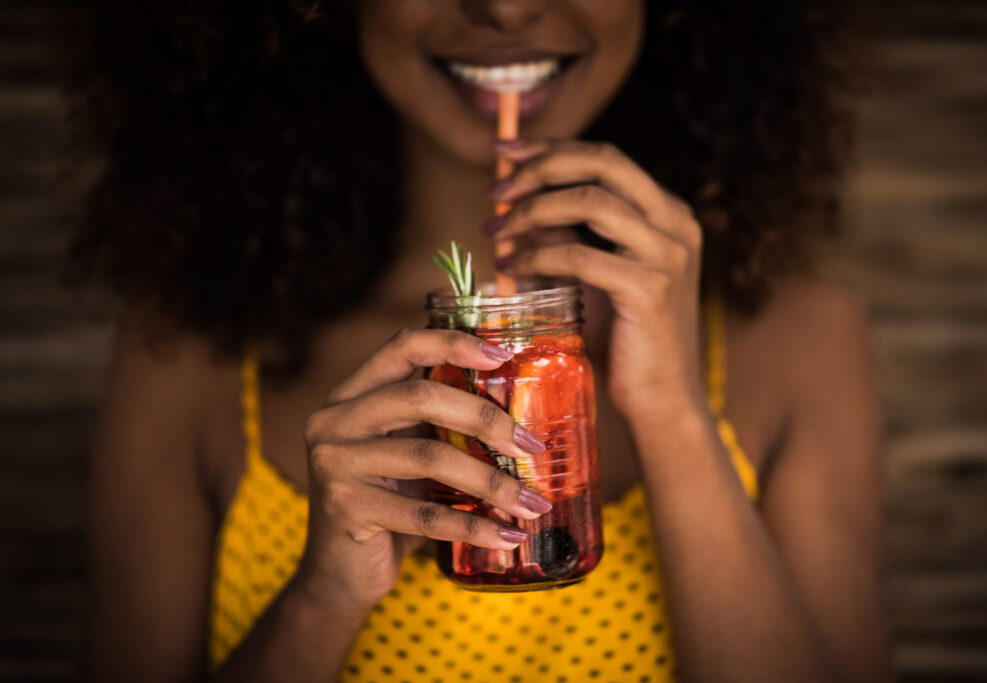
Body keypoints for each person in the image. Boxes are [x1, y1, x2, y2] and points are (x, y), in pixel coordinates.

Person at [71, 1, 889, 681]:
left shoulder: (804, 337)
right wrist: (321, 599)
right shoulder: (190, 353)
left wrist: (673, 414)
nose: (505, 6)